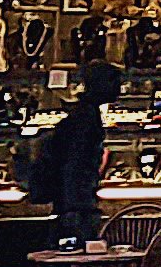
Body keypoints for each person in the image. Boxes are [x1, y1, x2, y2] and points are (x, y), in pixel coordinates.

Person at [29, 63, 119, 240]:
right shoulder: (86, 118)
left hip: (72, 203)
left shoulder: (83, 114)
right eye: (114, 81)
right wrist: (79, 205)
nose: (118, 88)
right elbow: (75, 165)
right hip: (76, 205)